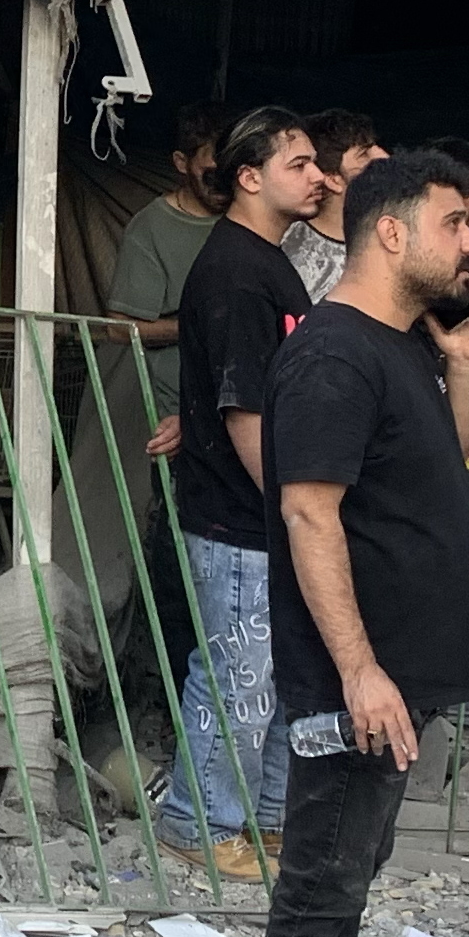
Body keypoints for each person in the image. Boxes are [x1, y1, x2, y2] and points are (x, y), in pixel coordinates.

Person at [253, 149, 469, 937]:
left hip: (396, 672)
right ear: (389, 231)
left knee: (356, 864)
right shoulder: (332, 356)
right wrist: (357, 669)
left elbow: (439, 459)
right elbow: (309, 509)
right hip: (353, 677)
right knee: (319, 875)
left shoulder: (400, 344)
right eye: (455, 223)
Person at [160, 106, 330, 881]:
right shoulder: (235, 268)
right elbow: (244, 407)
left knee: (270, 672)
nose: (318, 176)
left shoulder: (269, 260)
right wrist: (289, 507)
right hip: (238, 512)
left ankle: (260, 821)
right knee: (236, 669)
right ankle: (197, 821)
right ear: (249, 177)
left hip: (259, 510)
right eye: (299, 163)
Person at [110, 100, 231, 459]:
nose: (222, 185)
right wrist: (199, 325)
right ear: (182, 163)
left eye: (231, 172)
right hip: (175, 408)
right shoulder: (150, 228)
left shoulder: (253, 219)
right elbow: (118, 329)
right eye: (211, 173)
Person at [283, 108, 386, 302]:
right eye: (364, 154)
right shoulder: (290, 249)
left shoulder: (393, 234)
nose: (384, 156)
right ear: (333, 180)